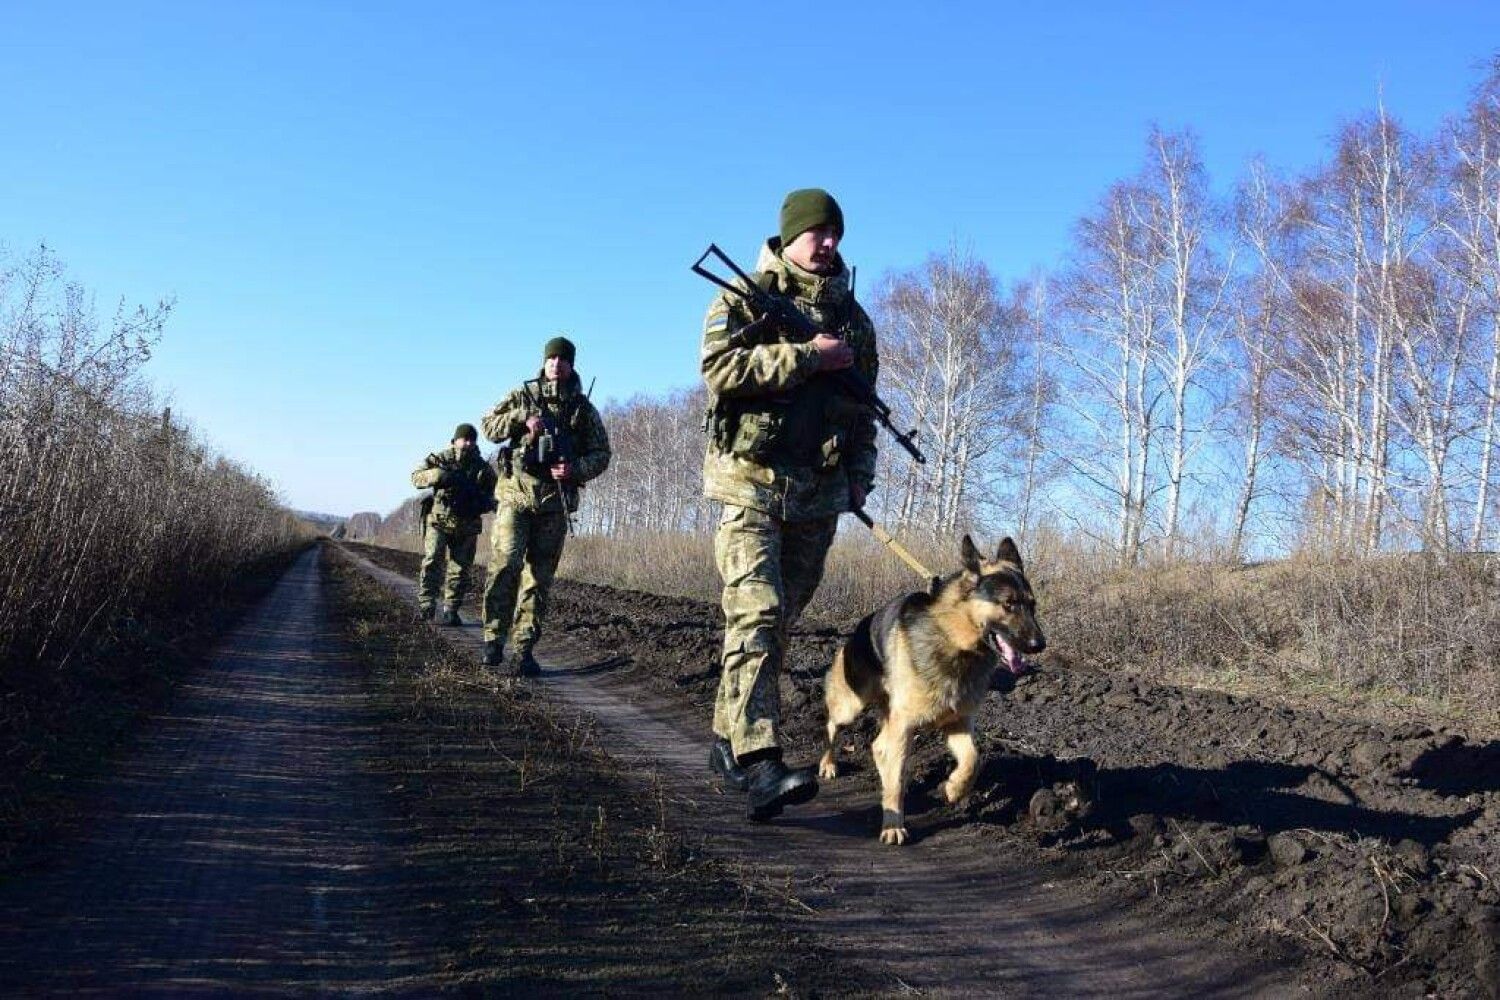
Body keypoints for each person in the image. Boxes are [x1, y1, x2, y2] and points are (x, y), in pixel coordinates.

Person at [700, 188, 879, 821]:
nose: (828, 243)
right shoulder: (743, 294)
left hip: (815, 496)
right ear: (789, 237)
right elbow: (719, 368)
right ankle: (759, 762)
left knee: (777, 623)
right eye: (817, 233)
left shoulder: (854, 320)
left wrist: (860, 473)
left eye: (836, 233)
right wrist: (806, 357)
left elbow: (863, 414)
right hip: (748, 483)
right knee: (757, 610)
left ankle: (728, 738)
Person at [480, 336, 611, 676]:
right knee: (506, 564)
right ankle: (493, 638)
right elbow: (488, 427)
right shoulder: (524, 396)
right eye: (551, 358)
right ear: (544, 362)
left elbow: (602, 454)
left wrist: (575, 470)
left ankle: (523, 649)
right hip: (515, 494)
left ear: (571, 365)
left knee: (539, 579)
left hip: (554, 501)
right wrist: (522, 418)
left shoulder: (582, 409)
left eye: (562, 359)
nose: (556, 364)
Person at [410, 423, 498, 624]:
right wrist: (438, 476)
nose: (467, 443)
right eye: (463, 439)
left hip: (466, 525)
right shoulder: (442, 459)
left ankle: (451, 609)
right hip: (439, 521)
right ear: (454, 440)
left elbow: (496, 494)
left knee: (460, 570)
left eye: (471, 439)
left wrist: (485, 502)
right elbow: (416, 477)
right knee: (432, 561)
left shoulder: (482, 468)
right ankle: (426, 606)